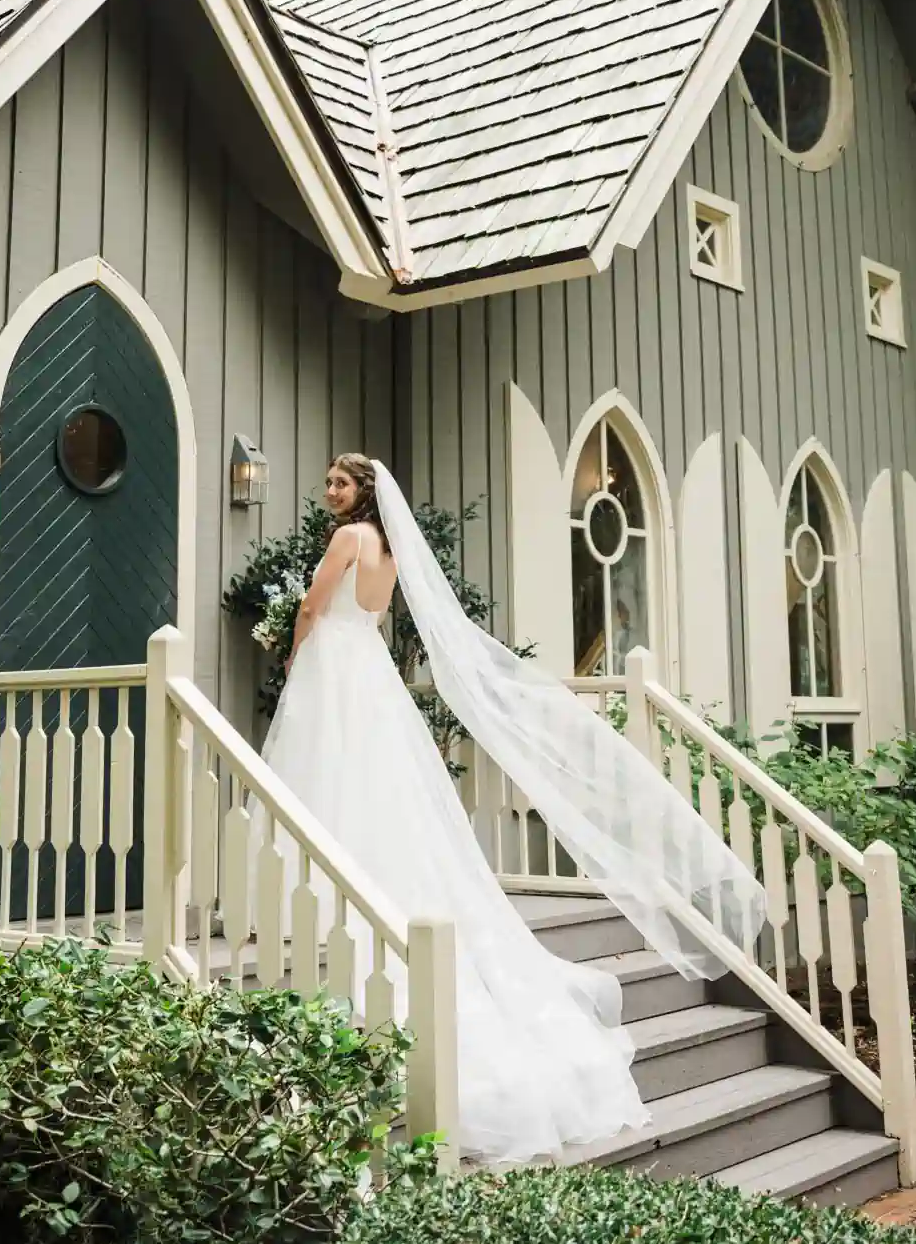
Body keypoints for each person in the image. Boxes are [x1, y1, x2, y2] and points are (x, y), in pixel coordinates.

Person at [262, 452, 762, 1163]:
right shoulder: (393, 552)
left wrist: (292, 651)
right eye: (329, 482)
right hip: (370, 674)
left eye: (337, 483)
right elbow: (370, 616)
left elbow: (314, 607)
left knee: (330, 771)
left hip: (335, 668)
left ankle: (315, 894)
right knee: (379, 785)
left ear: (362, 493)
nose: (328, 492)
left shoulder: (347, 540)